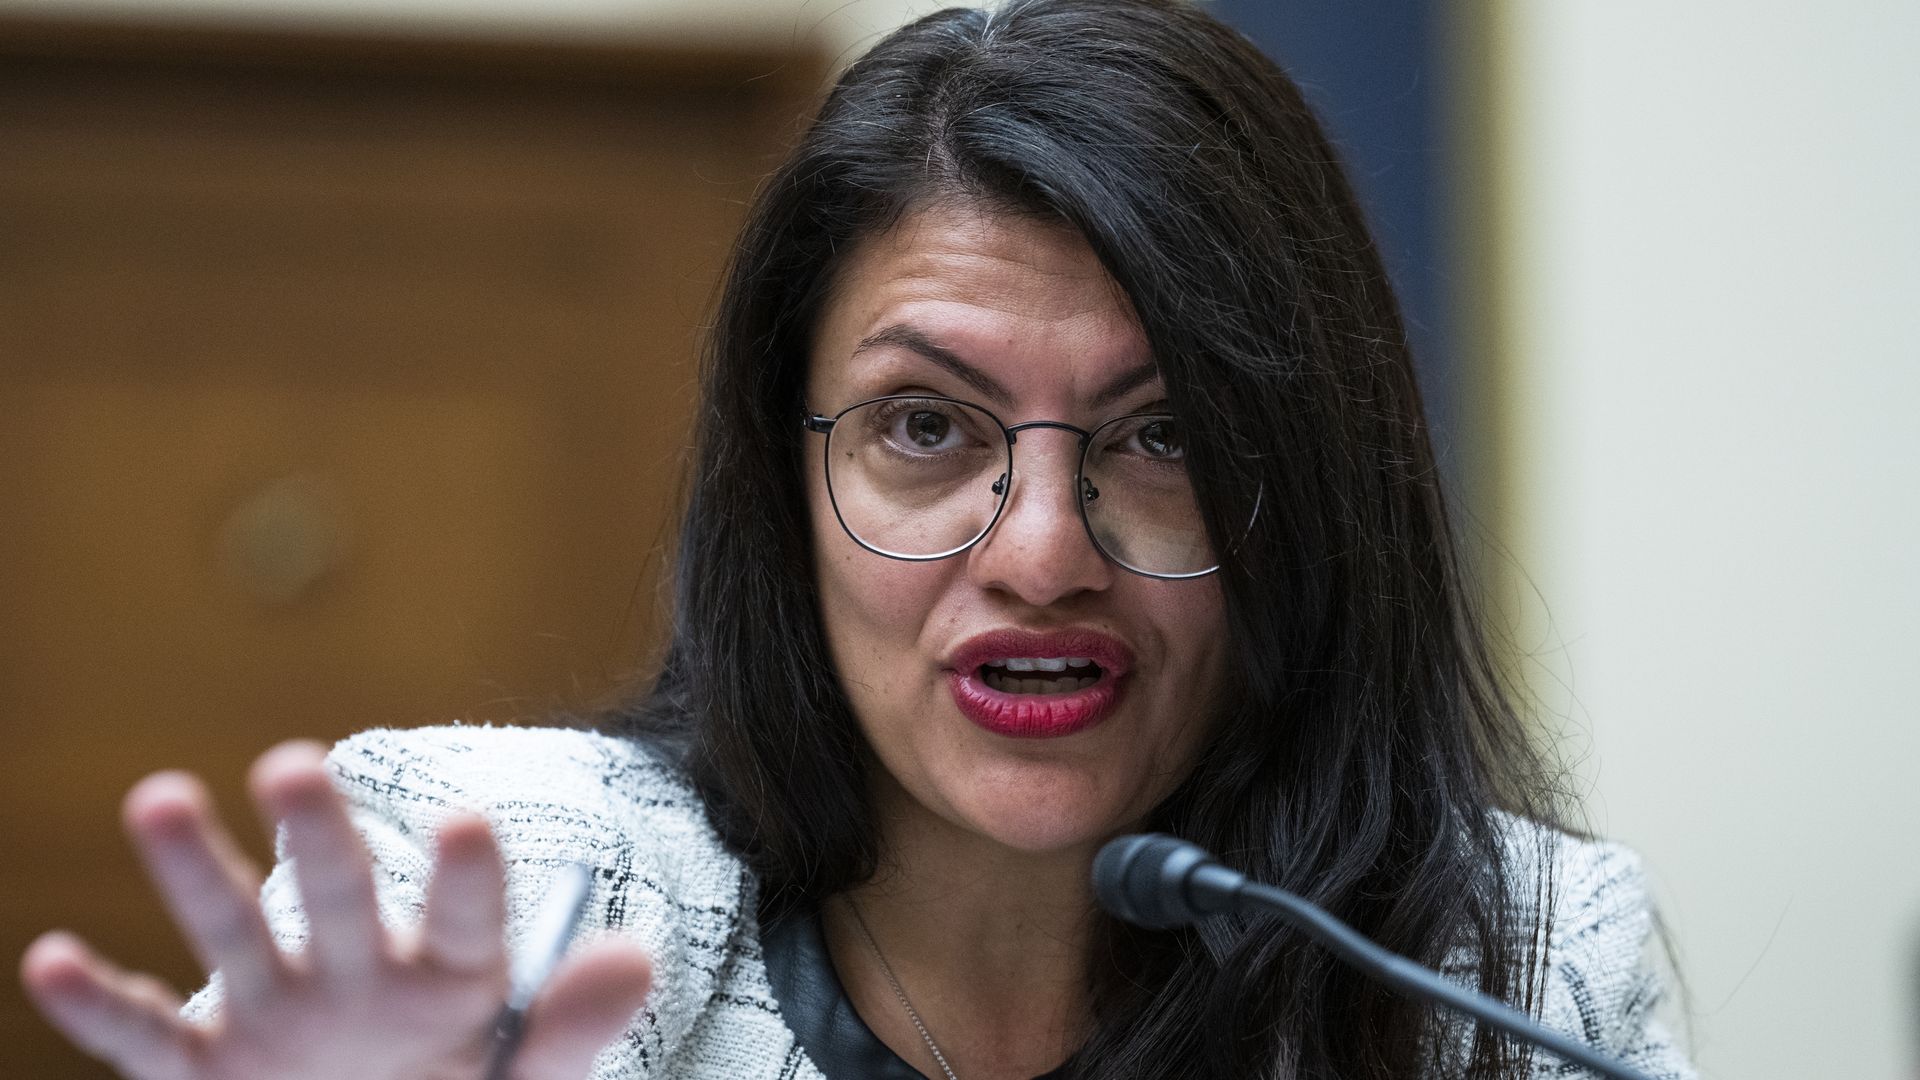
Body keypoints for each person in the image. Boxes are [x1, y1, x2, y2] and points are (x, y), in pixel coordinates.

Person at [18, 1, 1697, 1077]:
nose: (1041, 549)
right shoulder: (510, 898)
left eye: (1165, 436)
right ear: (780, 480)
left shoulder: (1516, 985)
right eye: (925, 428)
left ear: (1310, 495)